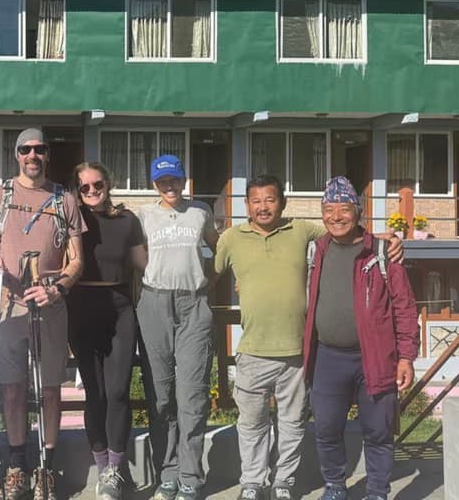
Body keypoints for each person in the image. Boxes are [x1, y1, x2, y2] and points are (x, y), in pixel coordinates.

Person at [214, 174, 403, 500]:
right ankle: (255, 483)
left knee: (295, 425)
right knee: (255, 424)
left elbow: (349, 233)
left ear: (282, 203)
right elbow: (211, 273)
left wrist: (387, 239)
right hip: (258, 351)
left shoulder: (302, 232)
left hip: (297, 352)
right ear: (246, 205)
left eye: (270, 199)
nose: (263, 207)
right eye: (256, 201)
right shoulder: (232, 238)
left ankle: (285, 483)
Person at [0, 128, 83, 500]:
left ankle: (48, 467)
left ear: (47, 154)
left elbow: (77, 260)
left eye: (39, 149)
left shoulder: (65, 199)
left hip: (51, 306)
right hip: (10, 308)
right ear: (17, 154)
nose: (33, 155)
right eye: (26, 149)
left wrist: (56, 288)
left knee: (51, 390)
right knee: (12, 389)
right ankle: (16, 465)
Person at [303, 177, 419, 500]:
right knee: (326, 428)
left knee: (378, 431)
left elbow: (405, 308)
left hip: (376, 357)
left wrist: (407, 357)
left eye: (343, 208)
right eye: (328, 209)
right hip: (327, 357)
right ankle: (335, 486)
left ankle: (378, 492)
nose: (336, 216)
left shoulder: (382, 252)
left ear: (358, 211)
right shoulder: (316, 250)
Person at [136, 155, 218, 500]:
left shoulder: (200, 211)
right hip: (154, 302)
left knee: (192, 394)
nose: (169, 187)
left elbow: (219, 248)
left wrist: (208, 280)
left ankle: (190, 475)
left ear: (184, 180)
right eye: (162, 182)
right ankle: (166, 473)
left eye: (174, 180)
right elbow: (137, 257)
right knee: (161, 393)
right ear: (155, 184)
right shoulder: (144, 216)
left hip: (193, 304)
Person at [69, 162, 146, 500]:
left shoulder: (127, 220)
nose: (91, 192)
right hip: (82, 306)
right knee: (96, 394)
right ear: (76, 189)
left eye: (97, 184)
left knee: (117, 391)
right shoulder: (71, 221)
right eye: (84, 187)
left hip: (118, 304)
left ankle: (115, 468)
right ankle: (101, 467)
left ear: (108, 183)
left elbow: (144, 265)